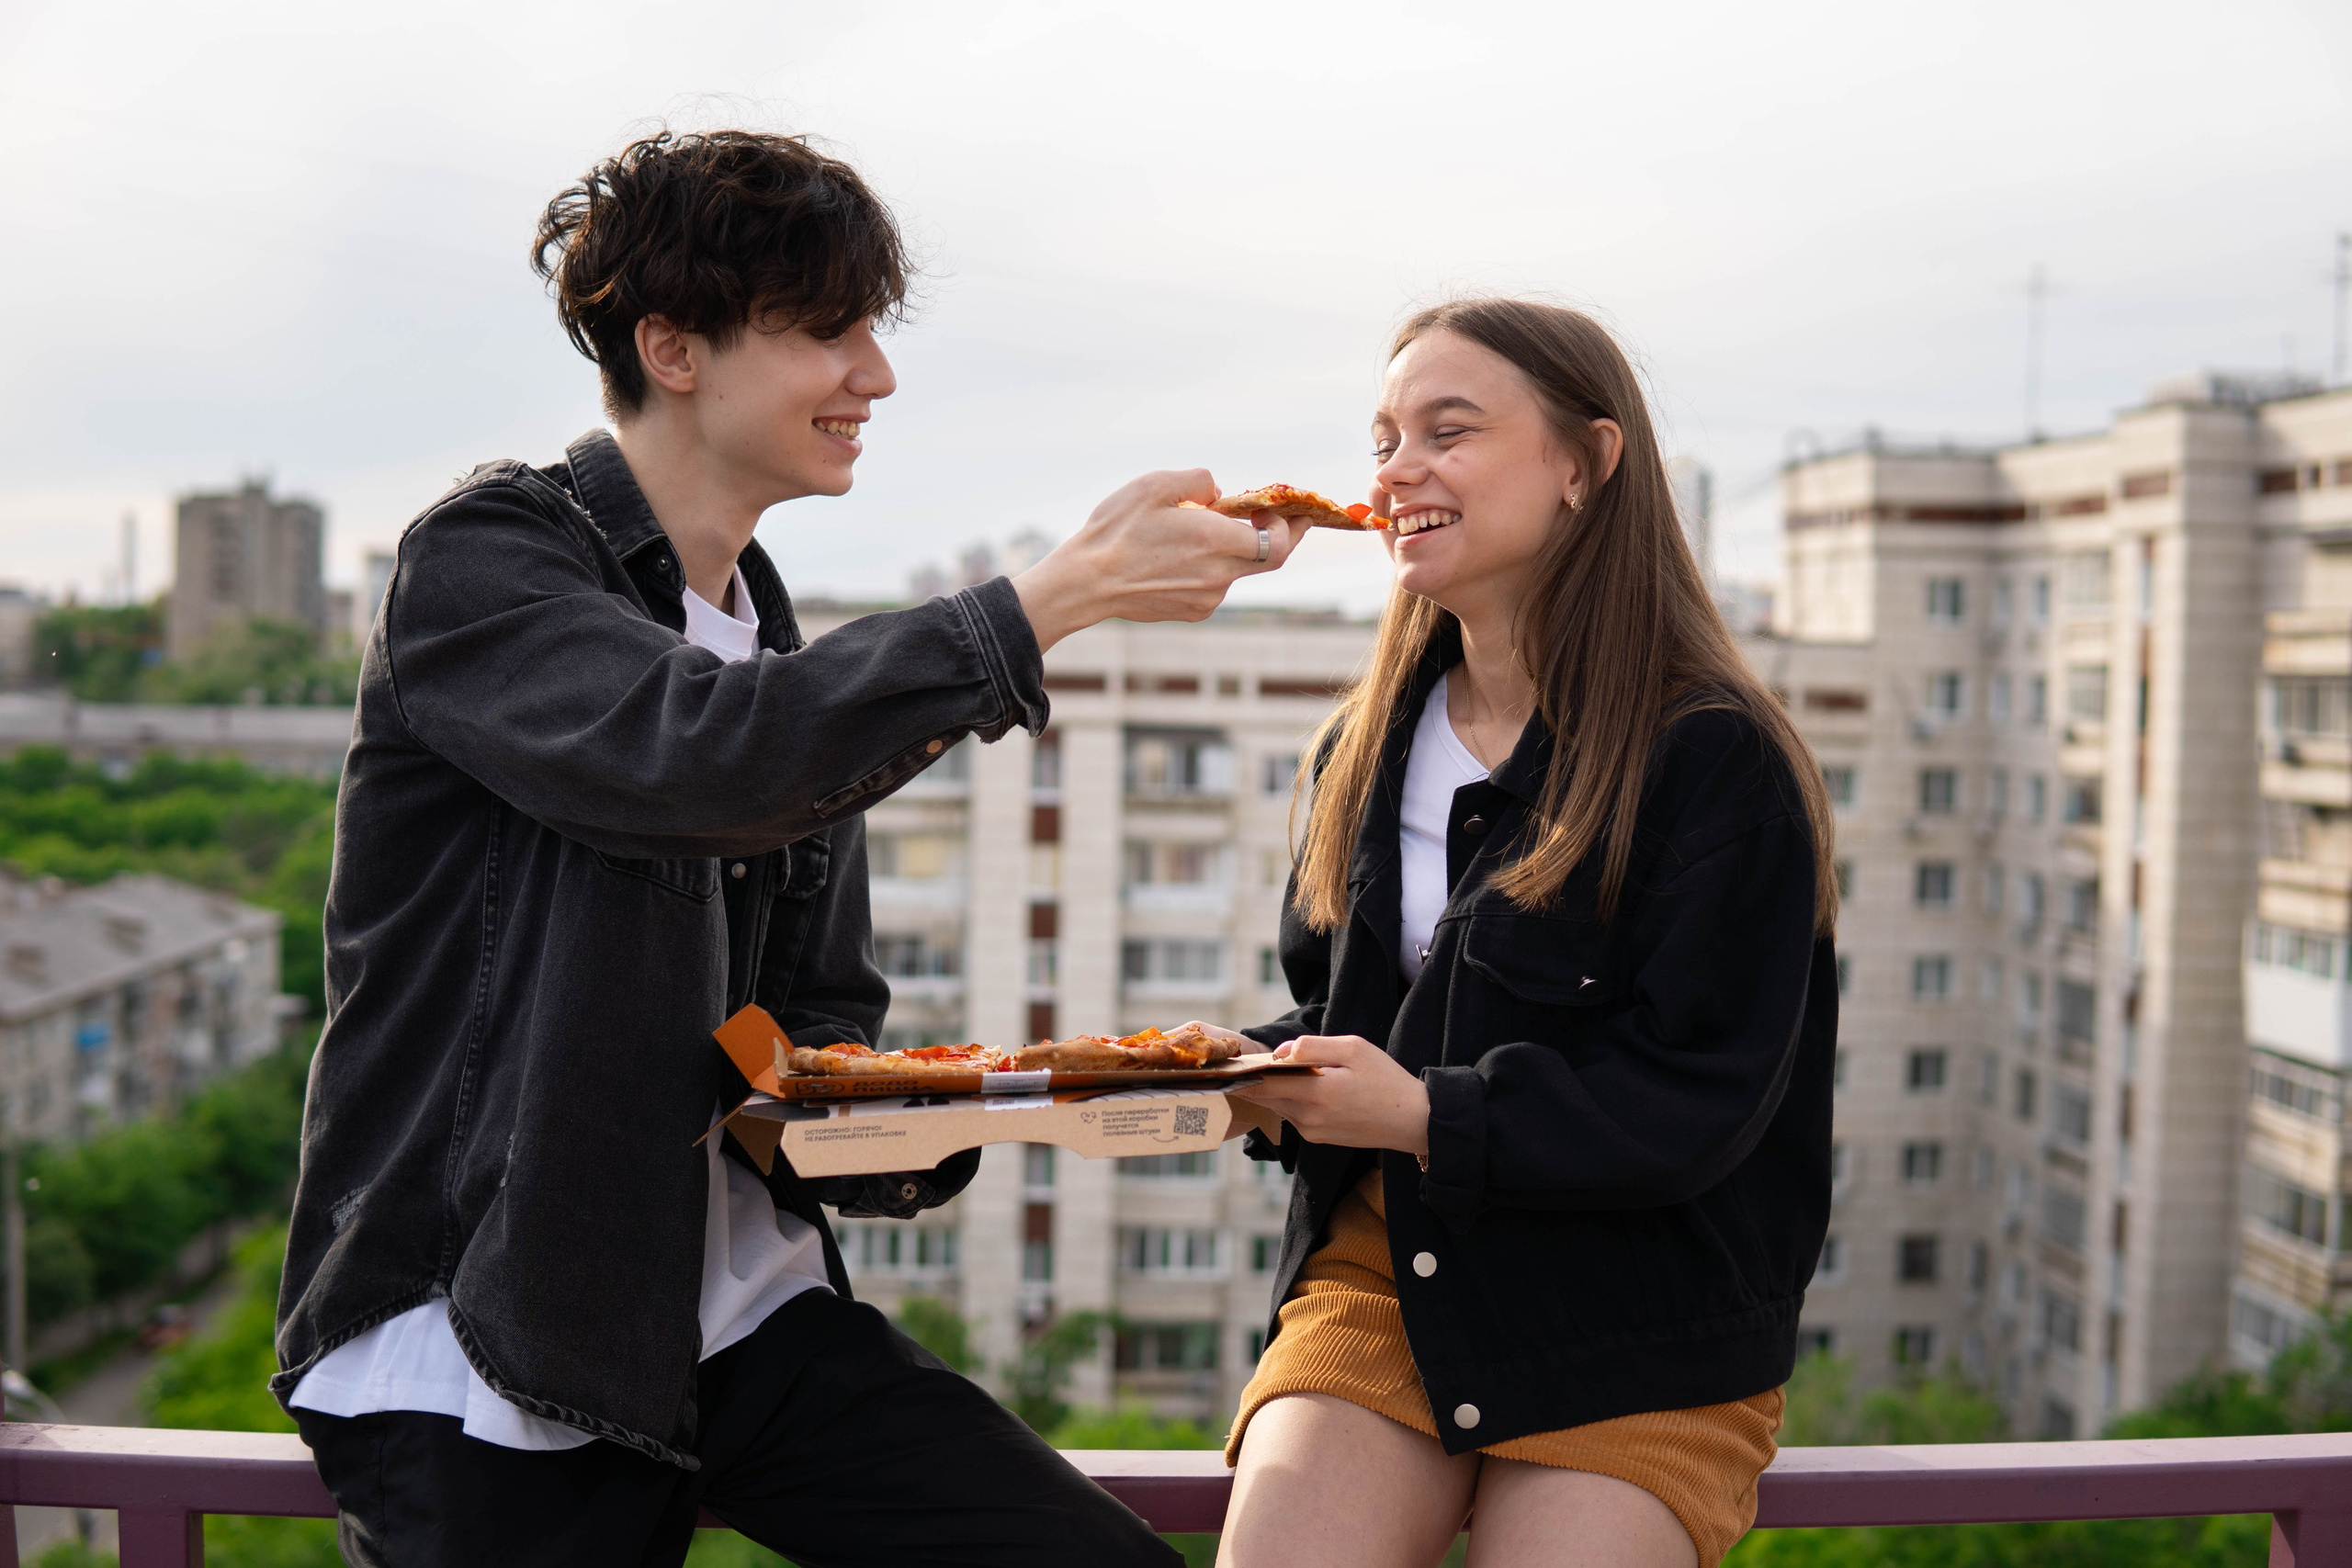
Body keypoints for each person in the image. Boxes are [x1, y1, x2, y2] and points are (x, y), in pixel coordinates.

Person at [270, 130, 1304, 1568]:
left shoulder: (765, 630)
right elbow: (696, 760)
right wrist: (1053, 599)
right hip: (487, 1343)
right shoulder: (485, 564)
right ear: (672, 346)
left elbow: (808, 1041)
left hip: (740, 1324)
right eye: (828, 331)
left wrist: (1037, 1096)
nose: (872, 376)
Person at [1203, 298, 1839, 1568]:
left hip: (1643, 1319)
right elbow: (1363, 1027)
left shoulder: (1715, 760)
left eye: (1449, 430)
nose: (1397, 470)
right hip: (1395, 1270)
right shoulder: (1359, 748)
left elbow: (1700, 1098)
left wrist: (1427, 1116)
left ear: (1584, 466)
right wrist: (1251, 1071)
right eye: (1383, 439)